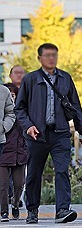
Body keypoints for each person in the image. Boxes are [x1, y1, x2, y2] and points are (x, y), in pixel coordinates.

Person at [14, 43, 82, 224]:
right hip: (36, 135)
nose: (51, 58)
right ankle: (32, 210)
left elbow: (75, 105)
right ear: (39, 58)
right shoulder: (30, 79)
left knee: (62, 171)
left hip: (60, 133)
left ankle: (62, 210)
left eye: (54, 55)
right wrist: (28, 126)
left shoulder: (65, 78)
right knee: (33, 173)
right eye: (47, 55)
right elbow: (19, 108)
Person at [0, 84, 26, 222]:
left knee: (19, 184)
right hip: (3, 151)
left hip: (19, 153)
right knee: (2, 185)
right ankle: (3, 211)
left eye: (14, 94)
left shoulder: (22, 112)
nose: (11, 96)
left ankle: (15, 203)